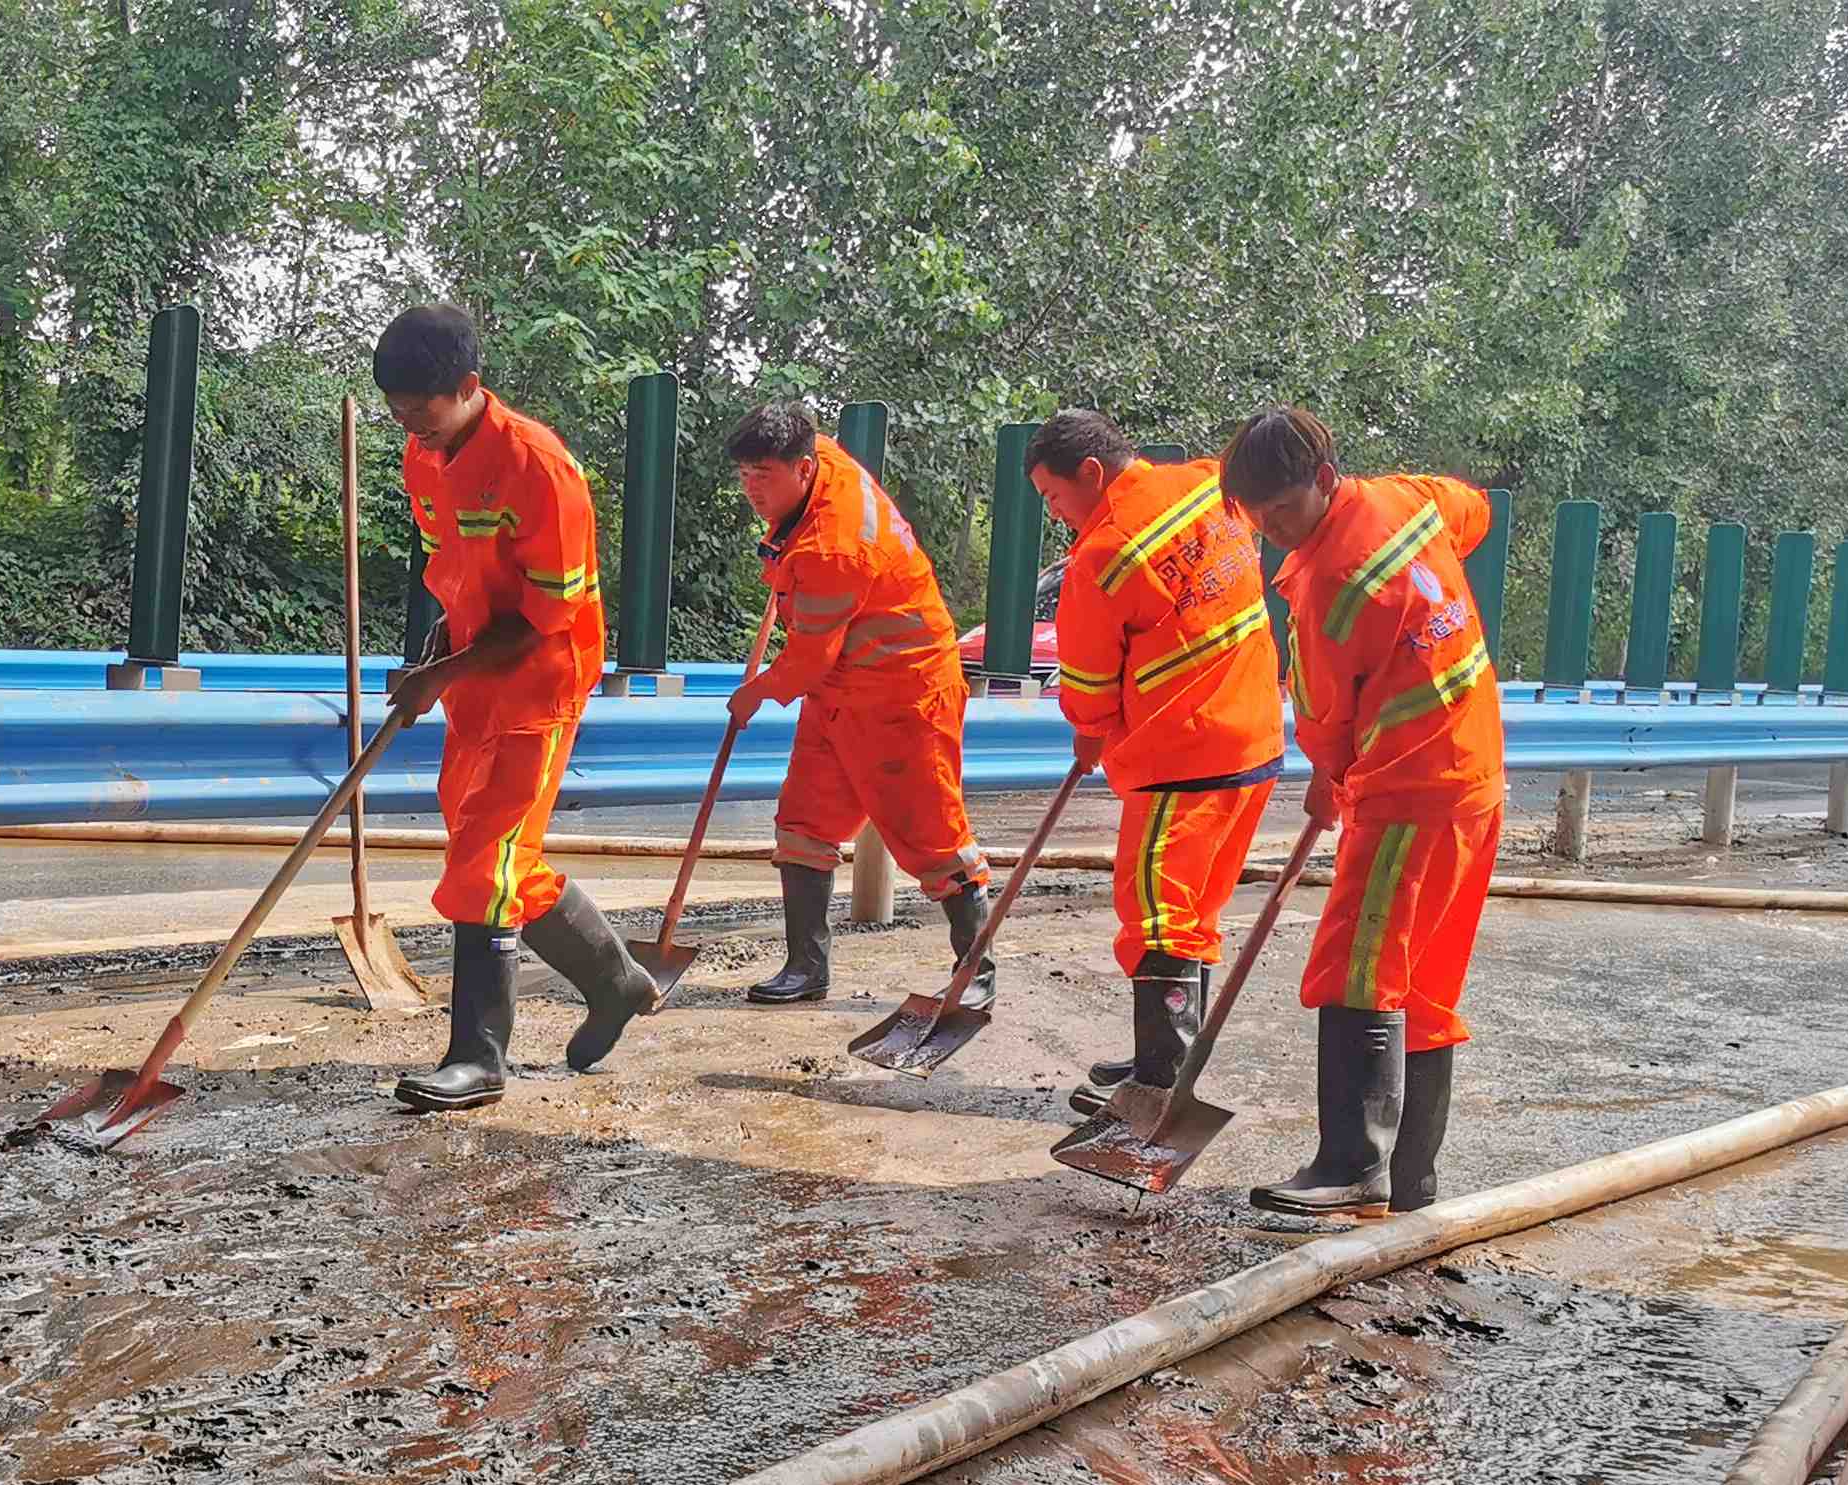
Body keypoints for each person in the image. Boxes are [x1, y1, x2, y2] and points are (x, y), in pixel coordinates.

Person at [1218, 404, 1505, 1216]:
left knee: (1355, 969)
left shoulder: (1329, 582)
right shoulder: (1410, 501)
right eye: (1257, 516)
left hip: (1408, 791)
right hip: (1473, 776)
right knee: (1422, 980)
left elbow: (1322, 716)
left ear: (1322, 478)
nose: (1273, 530)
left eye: (1282, 510)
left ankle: (1350, 1166)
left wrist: (1330, 776)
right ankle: (1411, 1177)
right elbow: (1473, 510)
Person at [375, 304, 657, 1112]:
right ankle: (615, 980)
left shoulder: (538, 468)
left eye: (422, 410)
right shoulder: (423, 454)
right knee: (493, 852)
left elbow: (542, 618)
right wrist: (437, 654)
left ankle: (478, 1058)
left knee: (484, 863)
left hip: (538, 679)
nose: (411, 428)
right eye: (398, 412)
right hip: (476, 674)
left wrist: (441, 675)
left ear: (469, 386)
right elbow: (454, 570)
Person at [1027, 409, 1283, 1119]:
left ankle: (1160, 1085)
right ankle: (1166, 1056)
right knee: (1195, 911)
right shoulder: (1208, 484)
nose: (1056, 513)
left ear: (1091, 473)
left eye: (1053, 496)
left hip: (1181, 756)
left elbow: (1087, 681)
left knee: (1157, 916)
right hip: (1255, 740)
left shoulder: (1103, 555)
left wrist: (1088, 730)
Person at [723, 402, 989, 1006]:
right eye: (745, 475)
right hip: (841, 687)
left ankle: (977, 971)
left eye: (765, 476)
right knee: (804, 821)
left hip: (904, 693)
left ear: (803, 468)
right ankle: (806, 968)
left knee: (933, 837)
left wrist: (754, 693)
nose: (753, 490)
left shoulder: (834, 547)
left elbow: (807, 662)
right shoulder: (822, 459)